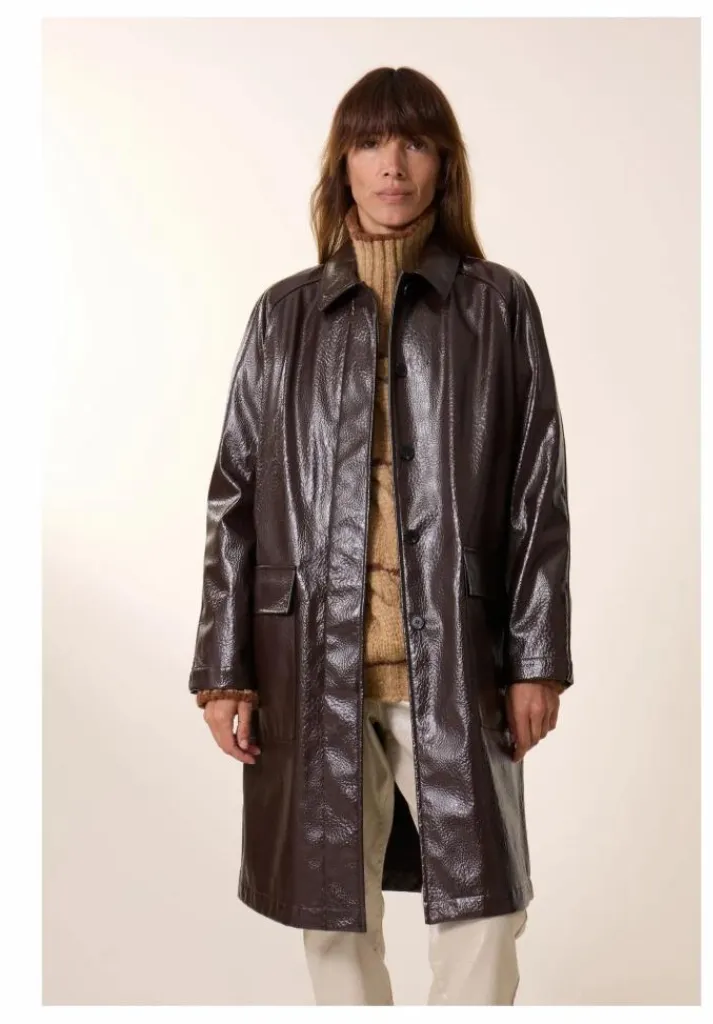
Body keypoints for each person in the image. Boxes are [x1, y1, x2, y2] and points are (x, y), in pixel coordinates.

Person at [188, 66, 573, 1006]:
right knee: (331, 914)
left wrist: (536, 658)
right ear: (344, 166)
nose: (392, 164)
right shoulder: (284, 316)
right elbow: (235, 493)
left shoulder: (497, 305)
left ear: (444, 164)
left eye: (414, 143)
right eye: (370, 143)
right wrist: (224, 669)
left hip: (456, 659)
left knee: (485, 911)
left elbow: (537, 489)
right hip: (308, 659)